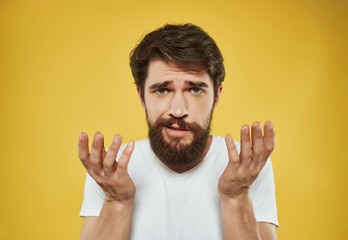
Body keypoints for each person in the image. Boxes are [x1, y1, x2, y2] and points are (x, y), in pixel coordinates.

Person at [78, 23, 278, 240]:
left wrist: (236, 198)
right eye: (162, 90)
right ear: (142, 96)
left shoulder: (246, 165)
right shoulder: (110, 168)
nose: (178, 110)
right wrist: (116, 200)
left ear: (216, 96)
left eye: (195, 90)